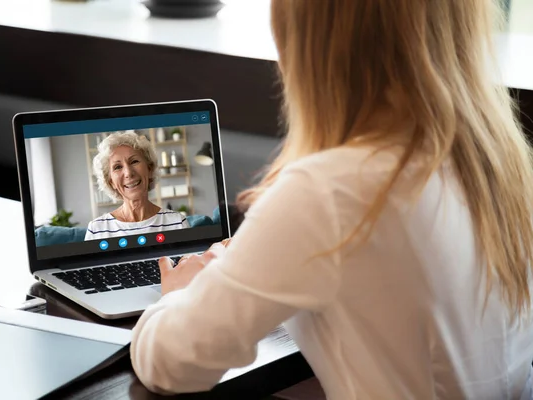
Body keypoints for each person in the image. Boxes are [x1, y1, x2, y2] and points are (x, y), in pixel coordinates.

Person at [130, 1, 533, 398]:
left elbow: (172, 364)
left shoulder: (330, 191)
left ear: (310, 42)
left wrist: (182, 294)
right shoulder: (499, 164)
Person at [85, 131, 189, 240]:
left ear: (149, 169)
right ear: (111, 182)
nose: (128, 173)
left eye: (134, 161)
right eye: (117, 167)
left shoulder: (177, 223)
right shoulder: (96, 230)